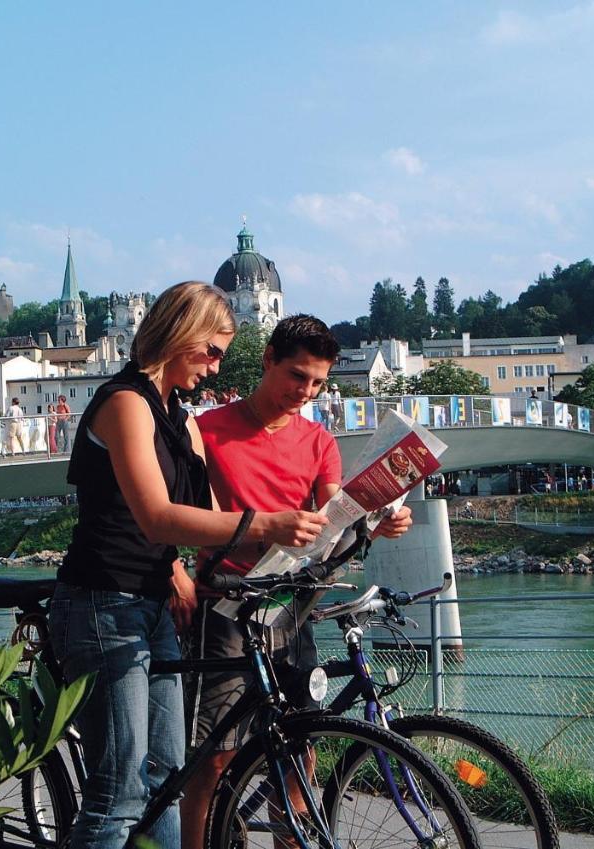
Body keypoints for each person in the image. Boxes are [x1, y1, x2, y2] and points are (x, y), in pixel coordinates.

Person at [48, 282, 329, 849]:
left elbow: (206, 514)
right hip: (104, 601)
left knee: (164, 783)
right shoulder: (125, 403)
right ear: (181, 335)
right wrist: (265, 522)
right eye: (213, 351)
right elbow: (156, 517)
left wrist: (228, 563)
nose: (218, 366)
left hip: (151, 601)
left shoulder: (179, 416)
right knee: (119, 792)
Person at [178, 315, 414, 849]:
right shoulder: (208, 430)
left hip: (290, 602)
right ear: (267, 360)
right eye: (296, 376)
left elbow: (335, 511)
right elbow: (177, 513)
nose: (304, 392)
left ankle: (291, 839)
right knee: (215, 752)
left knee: (303, 739)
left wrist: (381, 519)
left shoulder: (317, 440)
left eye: (317, 383)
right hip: (226, 602)